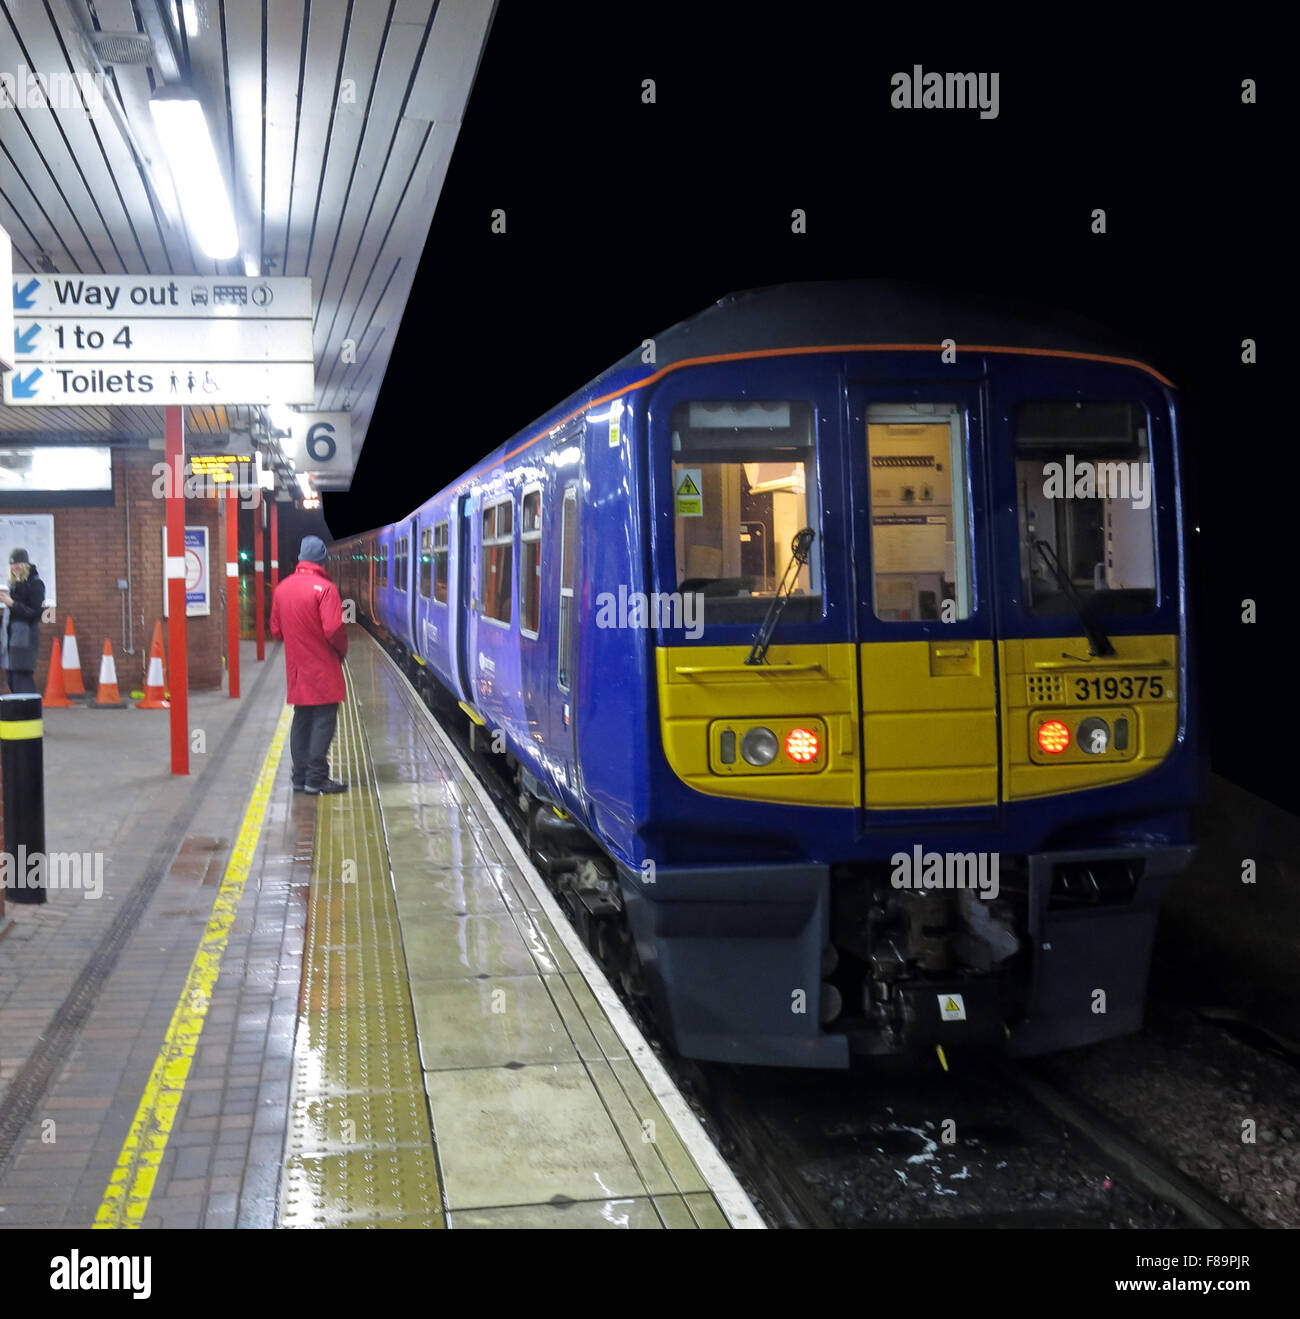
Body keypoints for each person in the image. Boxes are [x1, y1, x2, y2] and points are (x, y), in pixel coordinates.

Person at [270, 535, 349, 794]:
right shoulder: (326, 589)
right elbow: (333, 628)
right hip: (323, 667)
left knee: (302, 719)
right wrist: (341, 649)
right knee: (323, 720)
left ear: (301, 558)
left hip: (296, 668)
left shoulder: (282, 588)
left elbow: (275, 630)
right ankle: (316, 778)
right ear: (321, 560)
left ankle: (299, 776)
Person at [0, 549, 46, 694]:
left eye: (18, 563)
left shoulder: (36, 583)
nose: (14, 567)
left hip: (24, 641)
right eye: (12, 564)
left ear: (25, 564)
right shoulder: (14, 585)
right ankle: (21, 715)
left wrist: (11, 603)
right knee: (12, 681)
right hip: (12, 642)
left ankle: (29, 715)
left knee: (22, 682)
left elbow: (36, 613)